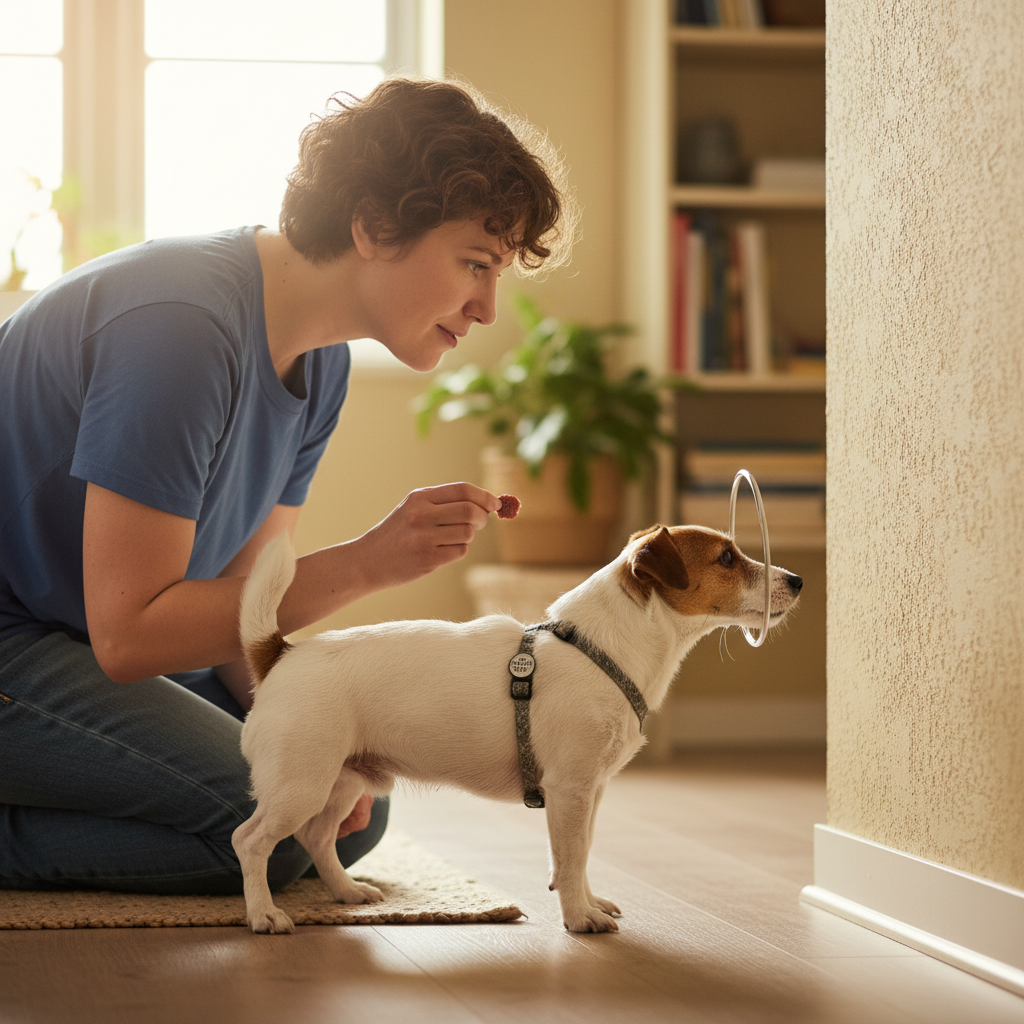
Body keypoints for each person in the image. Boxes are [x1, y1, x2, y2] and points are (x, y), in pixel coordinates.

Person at [0, 78, 572, 893]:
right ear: (375, 225)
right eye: (475, 265)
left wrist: (311, 720)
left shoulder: (322, 359)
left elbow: (246, 593)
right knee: (270, 826)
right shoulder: (180, 327)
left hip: (67, 642)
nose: (486, 307)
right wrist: (372, 561)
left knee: (341, 806)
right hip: (24, 640)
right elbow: (131, 635)